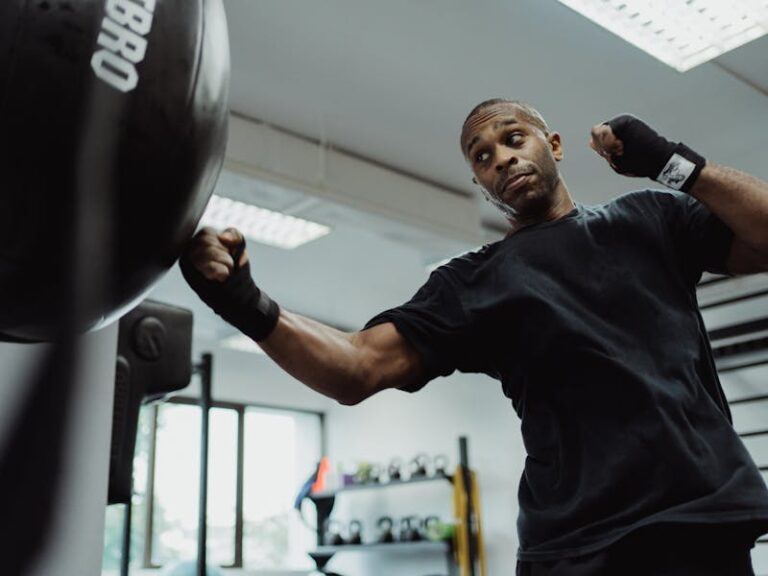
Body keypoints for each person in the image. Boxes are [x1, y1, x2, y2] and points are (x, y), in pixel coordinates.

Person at [180, 99, 768, 574]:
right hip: (577, 548)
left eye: (515, 139)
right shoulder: (472, 283)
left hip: (700, 524)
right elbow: (357, 367)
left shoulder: (647, 219)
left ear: (554, 145)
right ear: (481, 183)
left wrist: (674, 164)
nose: (502, 160)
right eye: (483, 157)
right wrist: (247, 306)